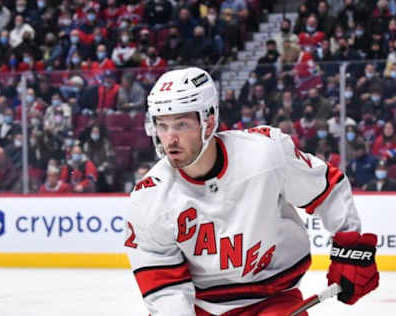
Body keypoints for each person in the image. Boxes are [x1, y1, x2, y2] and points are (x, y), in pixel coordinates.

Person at [124, 67, 379, 315]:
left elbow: (326, 189)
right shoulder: (149, 198)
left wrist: (350, 246)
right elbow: (165, 290)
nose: (170, 139)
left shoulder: (265, 154)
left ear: (209, 122)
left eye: (180, 124)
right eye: (162, 125)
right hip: (201, 307)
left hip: (273, 298)